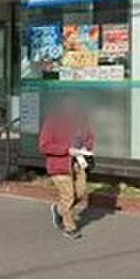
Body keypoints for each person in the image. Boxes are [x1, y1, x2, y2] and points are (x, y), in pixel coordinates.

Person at [38, 97, 95, 240]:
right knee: (68, 196)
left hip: (78, 162)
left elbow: (89, 137)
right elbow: (44, 146)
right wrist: (67, 150)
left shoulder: (82, 120)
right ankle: (69, 227)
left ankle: (58, 209)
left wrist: (86, 147)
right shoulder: (53, 121)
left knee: (80, 194)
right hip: (60, 165)